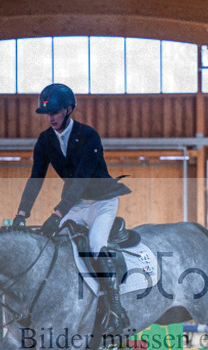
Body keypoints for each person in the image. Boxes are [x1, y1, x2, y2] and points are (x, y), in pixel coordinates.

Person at [13, 83, 132, 335]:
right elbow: (36, 178)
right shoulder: (45, 140)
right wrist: (21, 213)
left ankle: (116, 311)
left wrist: (57, 213)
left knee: (96, 244)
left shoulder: (89, 135)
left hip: (102, 202)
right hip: (76, 204)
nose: (50, 117)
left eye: (55, 112)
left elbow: (80, 178)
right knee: (51, 245)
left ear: (69, 109)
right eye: (48, 113)